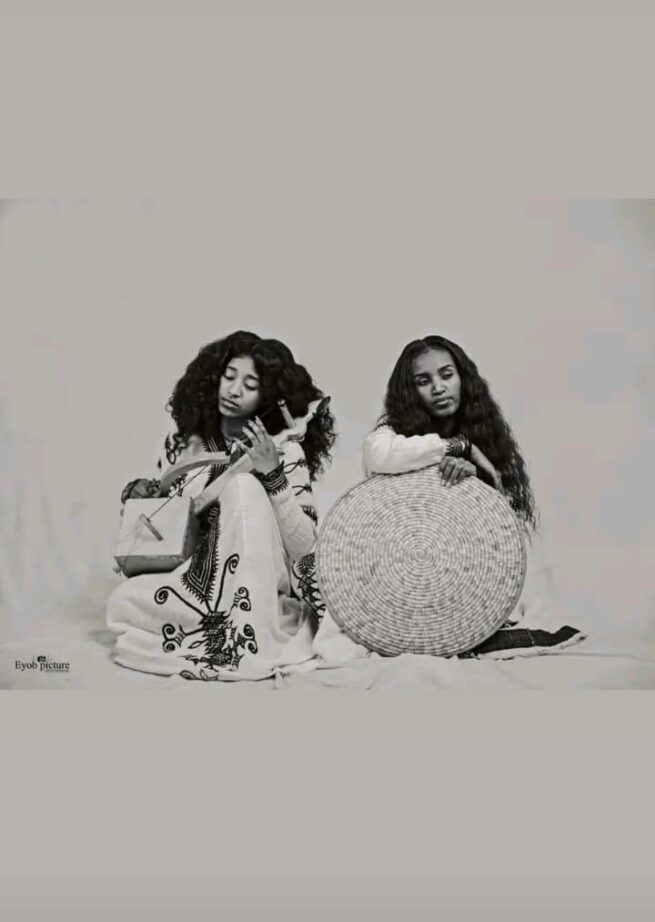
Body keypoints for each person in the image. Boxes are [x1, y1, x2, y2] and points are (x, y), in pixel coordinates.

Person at [107, 330, 335, 681]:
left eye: (250, 384)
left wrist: (273, 475)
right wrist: (143, 496)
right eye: (229, 377)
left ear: (268, 397)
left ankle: (247, 633)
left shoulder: (285, 449)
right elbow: (171, 532)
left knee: (243, 486)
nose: (234, 390)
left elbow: (305, 550)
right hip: (196, 581)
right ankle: (215, 622)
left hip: (256, 583)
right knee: (120, 603)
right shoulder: (184, 445)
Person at [363, 334, 538, 532]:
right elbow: (376, 455)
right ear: (410, 391)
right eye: (423, 381)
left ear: (463, 378)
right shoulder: (394, 427)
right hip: (411, 540)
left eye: (446, 375)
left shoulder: (486, 431)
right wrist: (459, 447)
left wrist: (482, 479)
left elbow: (510, 523)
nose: (438, 388)